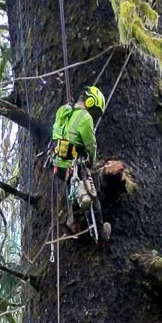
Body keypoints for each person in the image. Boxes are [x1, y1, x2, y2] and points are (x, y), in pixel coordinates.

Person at [51, 86, 106, 237]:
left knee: (72, 189)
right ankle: (100, 233)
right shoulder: (85, 117)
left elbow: (56, 132)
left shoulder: (64, 111)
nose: (93, 116)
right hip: (75, 162)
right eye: (94, 111)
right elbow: (90, 144)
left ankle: (73, 222)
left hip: (59, 163)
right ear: (90, 102)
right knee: (91, 193)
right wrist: (92, 159)